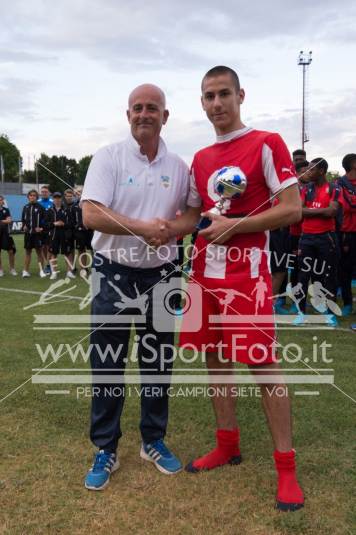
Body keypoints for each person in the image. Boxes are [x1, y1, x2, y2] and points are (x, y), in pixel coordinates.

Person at [178, 66, 304, 512]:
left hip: (246, 276)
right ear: (201, 102)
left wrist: (238, 226)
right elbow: (194, 216)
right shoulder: (199, 158)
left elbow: (293, 208)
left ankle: (286, 470)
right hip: (202, 272)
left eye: (224, 94)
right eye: (209, 96)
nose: (217, 103)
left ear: (240, 95)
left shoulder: (266, 142)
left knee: (264, 367)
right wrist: (153, 229)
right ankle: (226, 444)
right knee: (215, 362)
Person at [81, 83, 201, 490]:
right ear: (127, 114)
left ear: (165, 116)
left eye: (152, 108)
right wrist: (145, 229)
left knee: (158, 363)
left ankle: (152, 440)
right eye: (137, 108)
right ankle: (105, 447)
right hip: (114, 271)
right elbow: (90, 214)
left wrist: (169, 232)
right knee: (108, 362)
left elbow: (194, 216)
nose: (144, 114)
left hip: (164, 275)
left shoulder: (180, 166)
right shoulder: (108, 157)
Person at [296, 158, 341, 326]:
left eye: (311, 169)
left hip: (326, 237)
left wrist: (310, 211)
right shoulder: (306, 189)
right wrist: (320, 211)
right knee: (303, 276)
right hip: (306, 238)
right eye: (307, 169)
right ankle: (301, 313)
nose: (308, 172)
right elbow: (299, 211)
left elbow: (332, 212)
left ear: (321, 171)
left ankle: (329, 314)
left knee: (328, 275)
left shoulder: (334, 188)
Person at [337, 154, 356, 316]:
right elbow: (347, 207)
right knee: (345, 271)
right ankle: (348, 303)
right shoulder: (340, 184)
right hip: (347, 234)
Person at [21, 190, 47, 278]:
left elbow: (46, 221)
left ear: (37, 197)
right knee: (28, 252)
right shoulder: (25, 207)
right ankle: (25, 271)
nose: (32, 197)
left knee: (39, 253)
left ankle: (41, 271)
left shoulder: (41, 208)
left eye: (34, 195)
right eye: (31, 195)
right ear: (28, 197)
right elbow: (23, 220)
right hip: (28, 234)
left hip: (38, 235)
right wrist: (24, 226)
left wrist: (42, 228)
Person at [46, 192, 66, 280]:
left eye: (58, 198)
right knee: (53, 253)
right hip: (53, 235)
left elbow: (71, 222)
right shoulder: (50, 210)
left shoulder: (66, 209)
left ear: (61, 199)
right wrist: (54, 223)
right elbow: (46, 224)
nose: (57, 200)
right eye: (55, 198)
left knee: (67, 252)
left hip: (64, 234)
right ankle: (54, 272)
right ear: (53, 199)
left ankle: (69, 271)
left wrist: (63, 224)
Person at [38, 185, 54, 274]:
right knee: (43, 247)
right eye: (42, 192)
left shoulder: (52, 202)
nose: (44, 193)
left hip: (50, 228)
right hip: (40, 229)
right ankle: (46, 263)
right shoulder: (38, 202)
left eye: (46, 192)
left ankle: (48, 265)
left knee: (49, 247)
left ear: (49, 193)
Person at [0, 195, 17, 276]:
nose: (0, 201)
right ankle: (0, 270)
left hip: (6, 233)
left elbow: (9, 220)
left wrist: (2, 221)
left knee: (11, 251)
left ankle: (12, 269)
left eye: (1, 200)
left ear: (3, 201)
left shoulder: (6, 210)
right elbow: (6, 220)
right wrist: (4, 221)